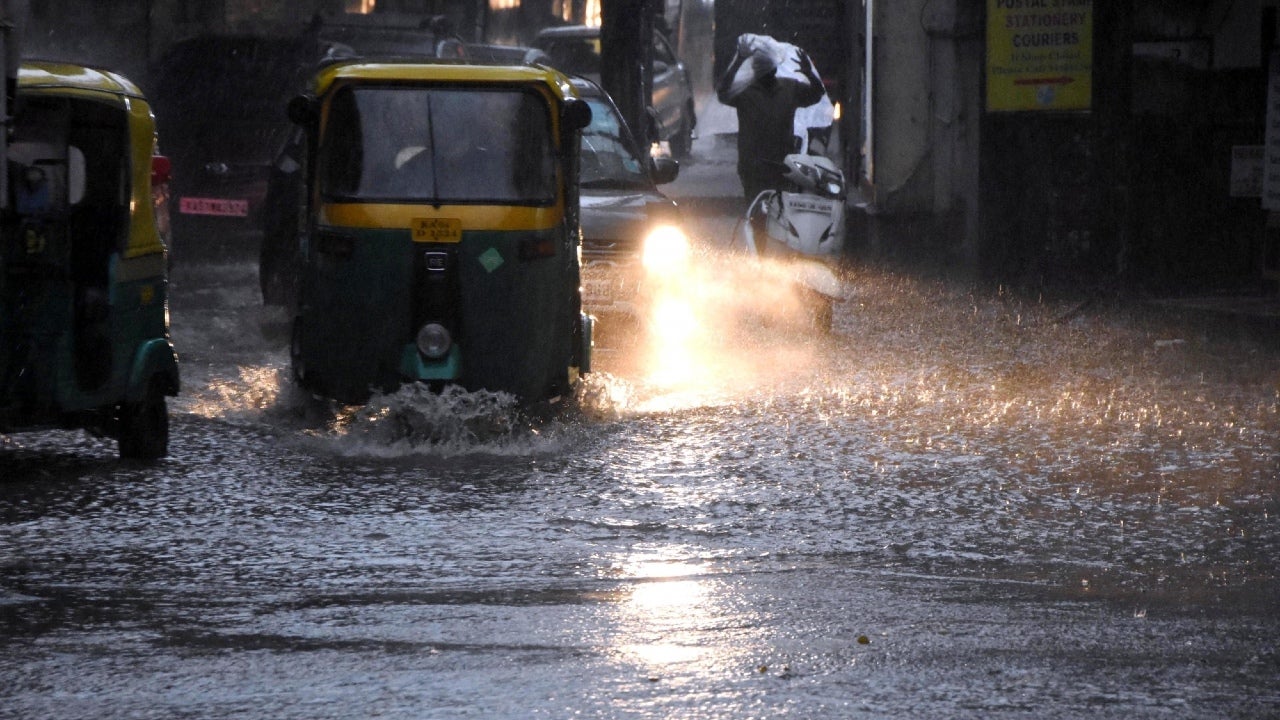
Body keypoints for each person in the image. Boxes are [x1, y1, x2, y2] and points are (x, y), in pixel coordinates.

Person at [716, 34, 825, 202]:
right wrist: (809, 74)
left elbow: (723, 93)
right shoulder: (790, 88)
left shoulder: (747, 93)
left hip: (755, 164)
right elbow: (817, 94)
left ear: (754, 69)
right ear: (775, 68)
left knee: (757, 207)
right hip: (778, 164)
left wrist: (739, 59)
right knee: (779, 209)